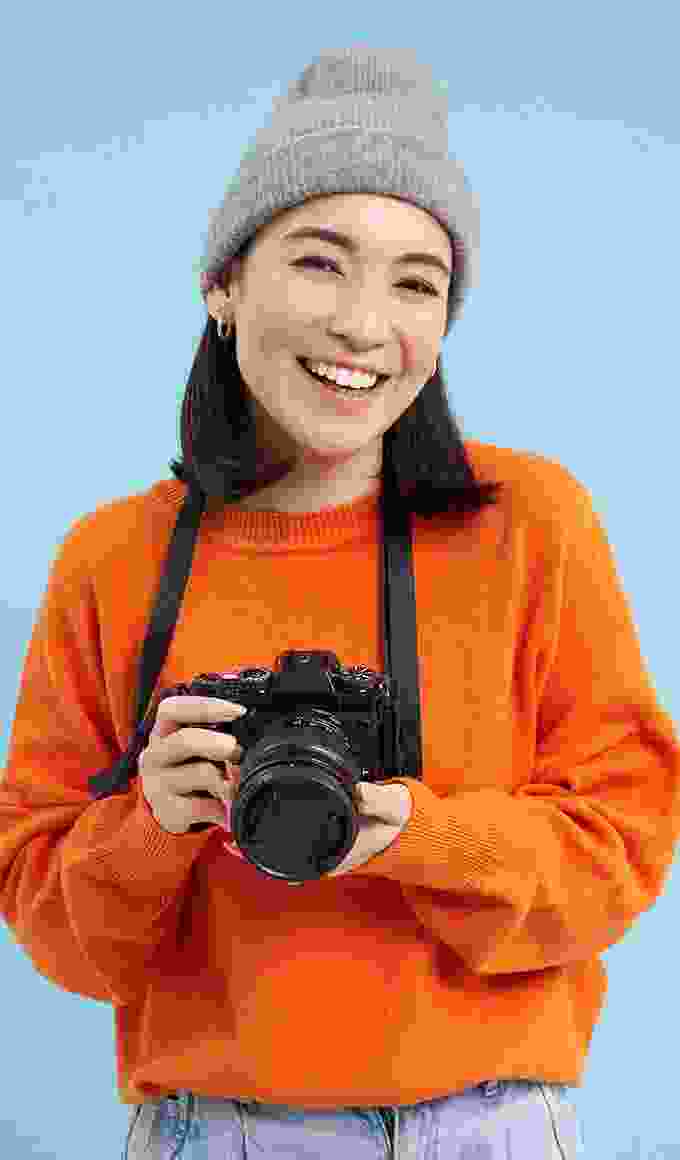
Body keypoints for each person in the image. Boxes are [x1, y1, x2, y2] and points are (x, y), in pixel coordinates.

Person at [1, 43, 679, 1160]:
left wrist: (418, 832)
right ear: (224, 285)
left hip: (490, 1127)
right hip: (212, 1133)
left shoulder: (531, 524)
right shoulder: (113, 559)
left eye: (415, 282)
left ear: (444, 320)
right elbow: (54, 935)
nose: (365, 324)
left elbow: (624, 851)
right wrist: (151, 824)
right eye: (320, 262)